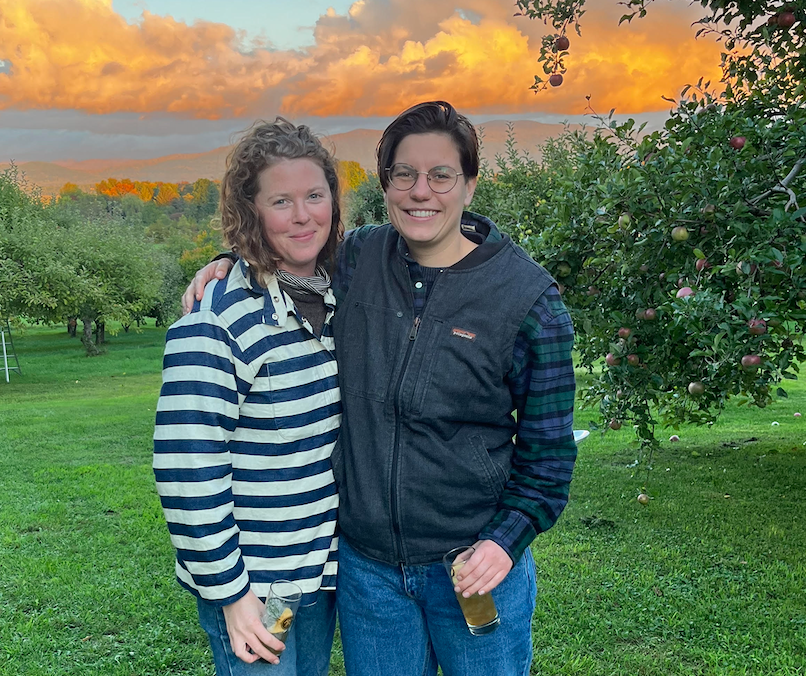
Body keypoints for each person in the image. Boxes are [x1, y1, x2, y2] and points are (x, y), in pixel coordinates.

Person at [185, 101, 578, 676]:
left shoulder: (528, 301)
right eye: (405, 174)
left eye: (441, 175)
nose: (422, 191)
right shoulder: (358, 259)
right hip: (369, 574)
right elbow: (289, 244)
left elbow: (548, 457)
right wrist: (230, 262)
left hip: (472, 566)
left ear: (469, 184)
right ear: (386, 184)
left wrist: (503, 541)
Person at [155, 118, 342, 676]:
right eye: (281, 200)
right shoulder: (218, 319)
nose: (304, 214)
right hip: (255, 589)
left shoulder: (336, 298)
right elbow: (188, 468)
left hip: (316, 577)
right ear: (250, 212)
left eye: (315, 194)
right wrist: (233, 597)